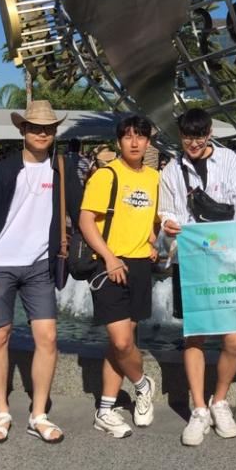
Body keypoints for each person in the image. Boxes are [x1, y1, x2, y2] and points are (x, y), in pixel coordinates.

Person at [0, 101, 82, 444]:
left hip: (40, 265)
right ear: (23, 130)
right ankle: (2, 412)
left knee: (48, 338)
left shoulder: (61, 169)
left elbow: (83, 212)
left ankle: (39, 414)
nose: (41, 133)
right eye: (34, 127)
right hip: (1, 264)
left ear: (55, 132)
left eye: (48, 128)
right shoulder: (4, 170)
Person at [159, 107, 236, 446]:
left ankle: (219, 400)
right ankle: (199, 408)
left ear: (210, 133)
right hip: (191, 261)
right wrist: (167, 225)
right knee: (194, 337)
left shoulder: (230, 161)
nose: (193, 143)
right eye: (187, 137)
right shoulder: (171, 170)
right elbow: (166, 212)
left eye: (199, 136)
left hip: (226, 261)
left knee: (235, 339)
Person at [78, 114, 159, 438]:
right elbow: (86, 221)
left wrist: (153, 242)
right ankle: (143, 384)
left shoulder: (154, 178)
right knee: (122, 341)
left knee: (119, 344)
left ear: (148, 142)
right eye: (128, 136)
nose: (135, 142)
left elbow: (151, 220)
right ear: (119, 141)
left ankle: (106, 409)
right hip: (109, 265)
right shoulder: (106, 175)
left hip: (140, 266)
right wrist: (110, 257)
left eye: (140, 136)